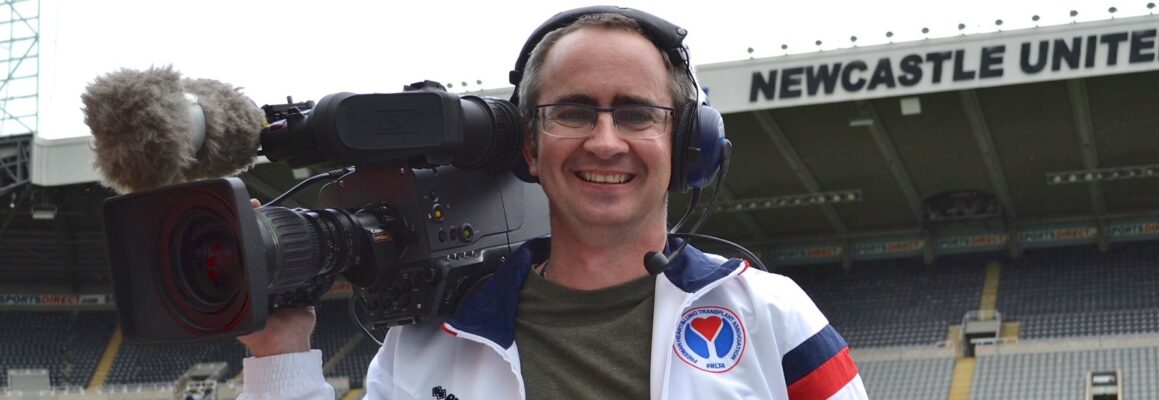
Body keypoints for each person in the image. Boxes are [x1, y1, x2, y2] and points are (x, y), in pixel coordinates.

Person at [238, 6, 867, 399]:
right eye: (572, 113)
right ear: (530, 149)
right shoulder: (428, 348)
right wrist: (277, 357)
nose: (605, 140)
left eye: (636, 113)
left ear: (683, 145)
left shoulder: (772, 315)